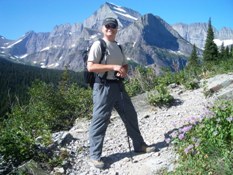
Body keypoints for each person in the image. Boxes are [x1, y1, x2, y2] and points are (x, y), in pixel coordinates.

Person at [87, 17, 156, 169]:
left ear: (117, 29)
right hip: (103, 87)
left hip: (118, 86)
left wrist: (123, 70)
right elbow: (90, 67)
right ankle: (95, 156)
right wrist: (113, 67)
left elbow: (124, 63)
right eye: (107, 25)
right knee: (100, 120)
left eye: (113, 26)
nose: (110, 28)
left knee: (130, 115)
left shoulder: (118, 46)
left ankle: (139, 146)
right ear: (102, 28)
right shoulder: (98, 45)